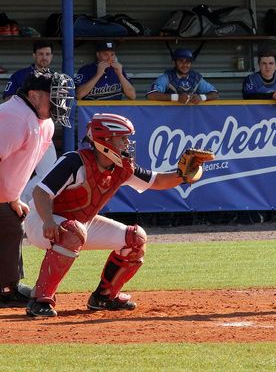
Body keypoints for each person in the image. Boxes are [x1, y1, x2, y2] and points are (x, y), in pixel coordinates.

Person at [23, 113, 214, 318]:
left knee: (135, 238)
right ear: (104, 139)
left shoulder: (122, 166)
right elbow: (41, 193)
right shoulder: (75, 161)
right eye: (122, 138)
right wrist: (49, 221)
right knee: (72, 232)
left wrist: (181, 175)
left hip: (79, 223)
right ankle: (40, 299)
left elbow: (157, 181)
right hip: (42, 219)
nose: (127, 143)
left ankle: (104, 297)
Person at [0, 71, 74, 308]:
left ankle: (8, 287)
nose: (59, 103)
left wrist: (12, 198)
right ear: (33, 95)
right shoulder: (15, 117)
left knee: (11, 225)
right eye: (53, 96)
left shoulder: (45, 123)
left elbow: (24, 166)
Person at [2, 41, 59, 202]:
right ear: (34, 55)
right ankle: (14, 198)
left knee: (49, 172)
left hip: (43, 128)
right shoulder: (21, 75)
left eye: (47, 54)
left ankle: (22, 199)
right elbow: (8, 99)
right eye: (41, 54)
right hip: (20, 129)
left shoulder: (55, 78)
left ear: (52, 56)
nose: (44, 57)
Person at [146, 48, 218, 103]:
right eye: (181, 61)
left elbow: (215, 94)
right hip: (170, 117)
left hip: (191, 116)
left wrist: (201, 97)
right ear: (174, 63)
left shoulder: (196, 77)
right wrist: (177, 97)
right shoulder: (167, 77)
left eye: (188, 61)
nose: (185, 65)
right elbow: (151, 95)